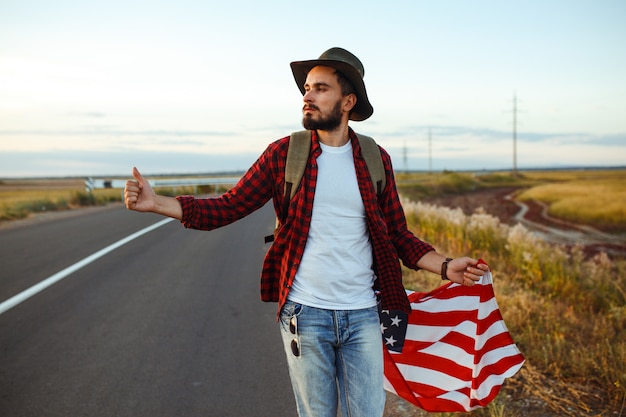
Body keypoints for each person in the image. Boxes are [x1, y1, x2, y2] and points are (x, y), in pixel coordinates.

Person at [124, 47, 489, 417]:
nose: (307, 96)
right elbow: (228, 206)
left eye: (320, 88)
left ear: (348, 101)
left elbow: (398, 234)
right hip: (305, 313)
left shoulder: (375, 158)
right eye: (307, 88)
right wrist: (156, 204)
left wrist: (445, 267)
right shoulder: (284, 154)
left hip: (363, 312)